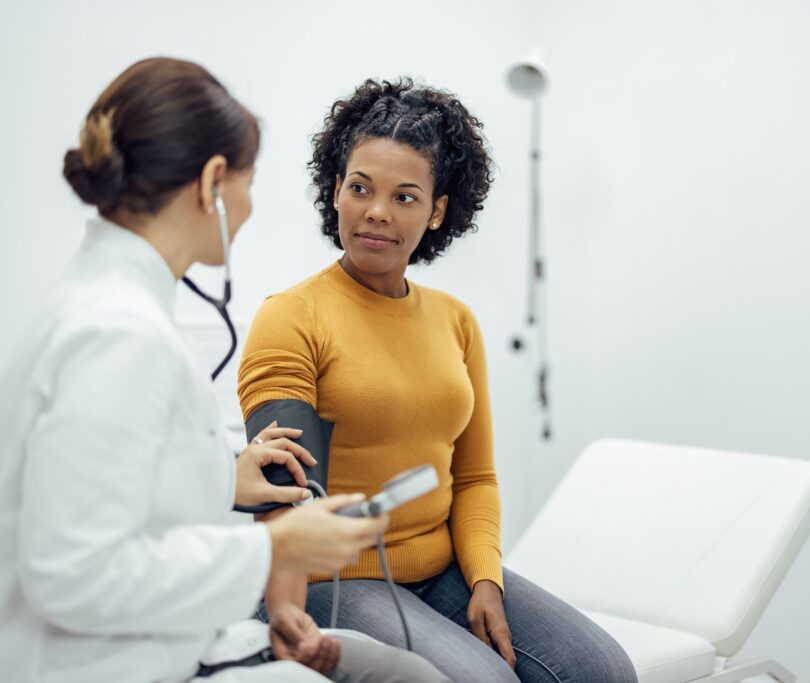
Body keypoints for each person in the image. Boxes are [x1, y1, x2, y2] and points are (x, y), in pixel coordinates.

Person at [0, 58, 449, 683]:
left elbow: (102, 487)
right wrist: (273, 547)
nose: (247, 207)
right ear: (213, 181)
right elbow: (71, 574)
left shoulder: (101, 306)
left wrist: (219, 478)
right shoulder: (119, 335)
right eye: (248, 182)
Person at [237, 78, 638, 683]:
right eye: (360, 188)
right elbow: (285, 499)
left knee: (601, 668)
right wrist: (287, 612)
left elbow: (474, 477)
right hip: (330, 578)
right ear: (336, 190)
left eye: (405, 196)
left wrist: (485, 580)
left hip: (440, 570)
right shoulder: (292, 317)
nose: (377, 211)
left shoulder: (455, 321)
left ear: (437, 211)